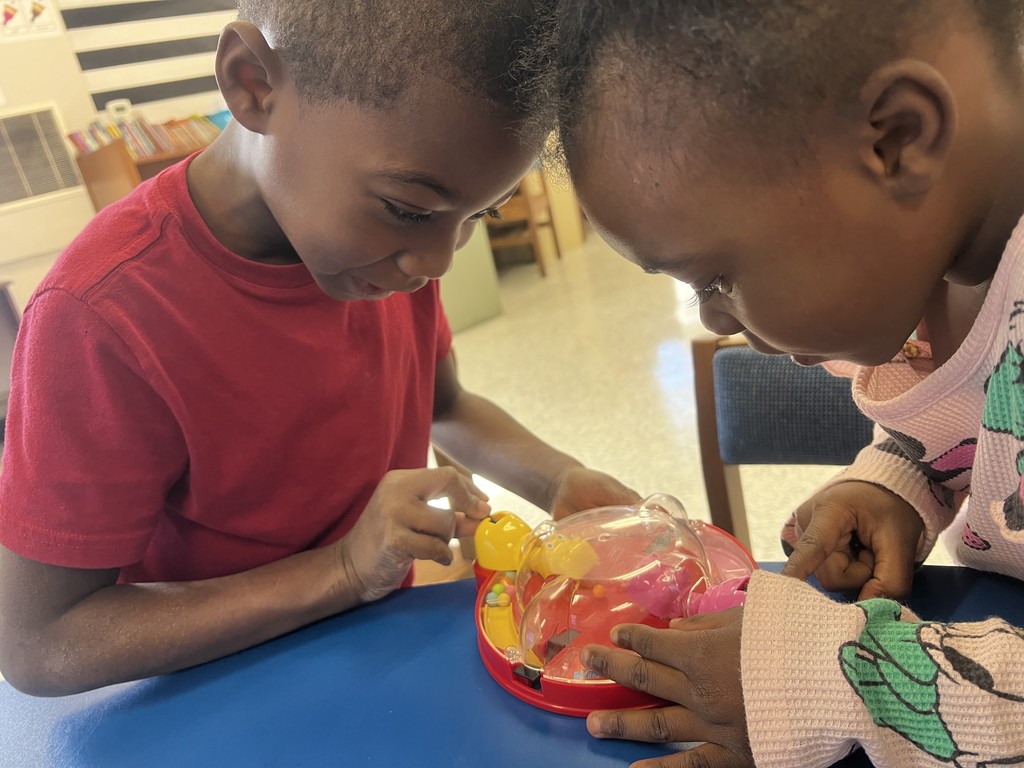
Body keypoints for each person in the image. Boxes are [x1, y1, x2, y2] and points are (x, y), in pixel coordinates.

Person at [0, 0, 639, 698]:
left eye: (475, 215)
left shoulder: (375, 253)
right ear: (252, 84)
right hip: (217, 692)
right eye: (409, 208)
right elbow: (38, 643)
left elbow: (444, 404)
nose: (436, 262)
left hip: (377, 649)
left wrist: (558, 480)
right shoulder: (101, 315)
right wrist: (341, 570)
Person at [551, 1, 1024, 766]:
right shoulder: (946, 249)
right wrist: (900, 482)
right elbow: (981, 418)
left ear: (897, 139)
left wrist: (829, 688)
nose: (714, 322)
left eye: (717, 277)